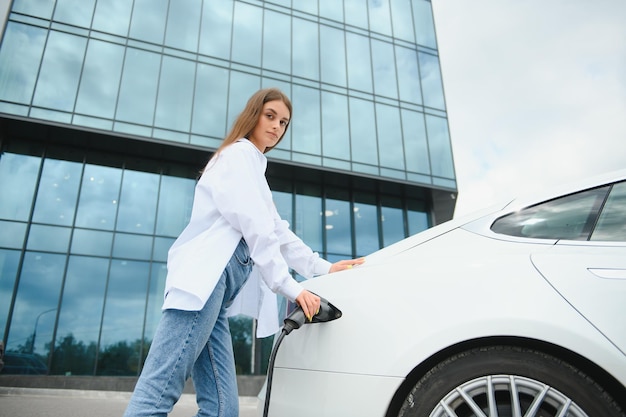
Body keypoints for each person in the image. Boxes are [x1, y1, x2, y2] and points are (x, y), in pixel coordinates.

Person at [123, 87, 364, 417]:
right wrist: (290, 286)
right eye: (270, 116)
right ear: (253, 115)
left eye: (284, 122)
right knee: (159, 389)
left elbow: (277, 230)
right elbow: (258, 228)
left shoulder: (254, 167)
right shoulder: (237, 156)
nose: (277, 126)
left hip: (217, 296)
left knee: (223, 408)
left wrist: (322, 268)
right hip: (203, 283)